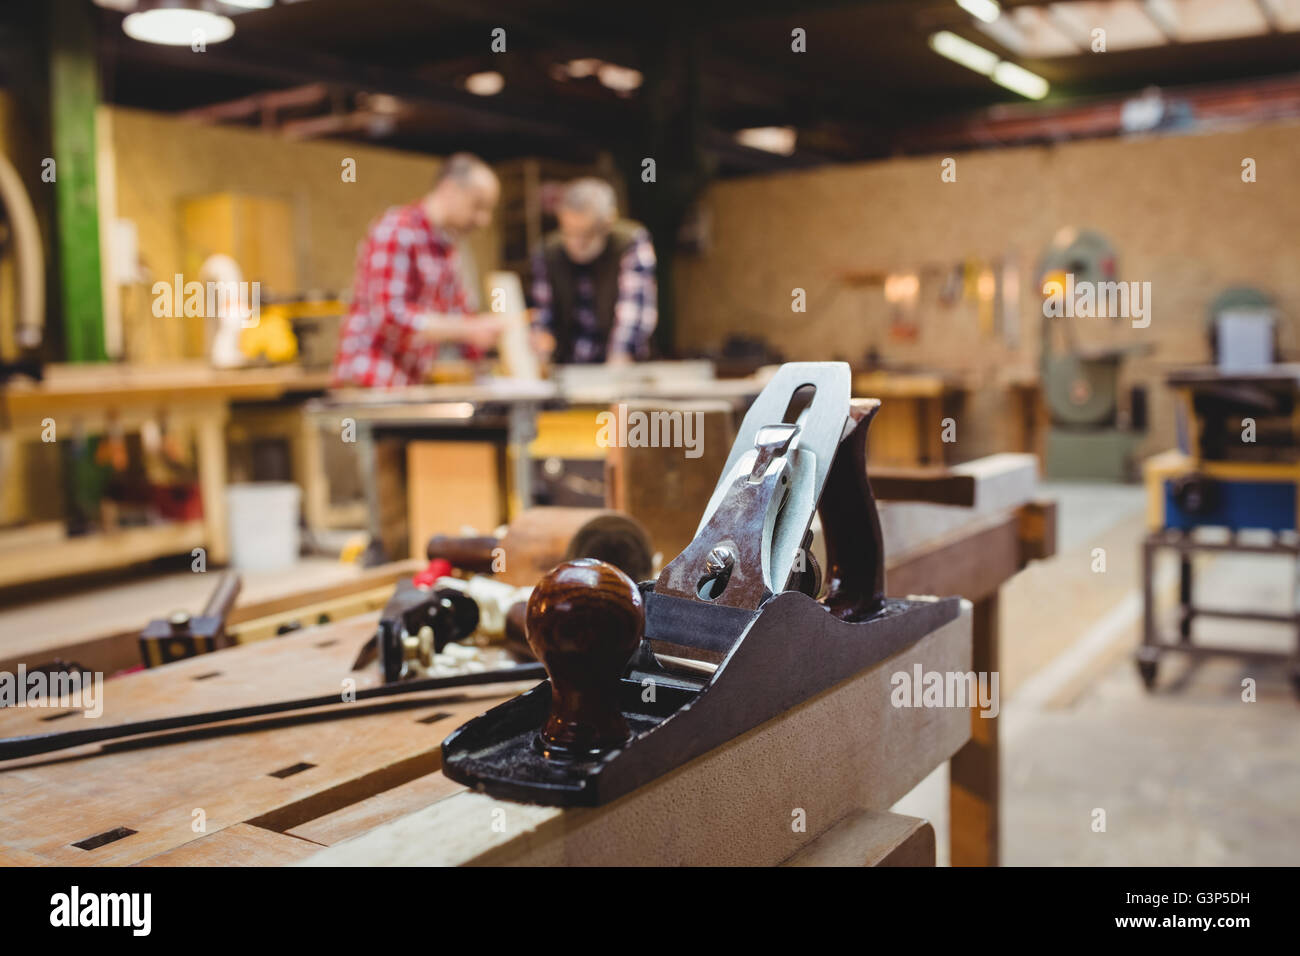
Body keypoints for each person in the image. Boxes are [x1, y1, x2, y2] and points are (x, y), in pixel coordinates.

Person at [333, 153, 502, 387]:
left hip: (407, 384)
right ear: (449, 189)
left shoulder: (448, 250)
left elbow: (461, 318)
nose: (484, 219)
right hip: (369, 382)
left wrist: (500, 338)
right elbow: (390, 317)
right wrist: (468, 328)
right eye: (478, 206)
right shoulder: (397, 229)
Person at [530, 178, 657, 366]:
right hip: (566, 367)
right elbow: (542, 315)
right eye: (569, 233)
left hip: (619, 366)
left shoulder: (630, 242)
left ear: (608, 223)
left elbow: (632, 314)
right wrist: (540, 354)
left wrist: (616, 367)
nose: (576, 244)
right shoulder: (547, 251)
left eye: (587, 234)